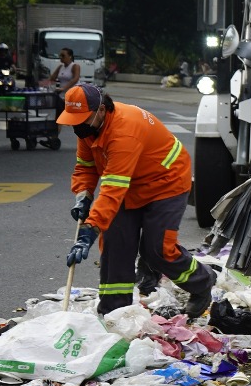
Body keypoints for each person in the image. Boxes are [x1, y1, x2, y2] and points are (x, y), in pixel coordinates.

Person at [58, 84, 215, 318]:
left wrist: (90, 230)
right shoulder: (89, 128)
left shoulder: (124, 132)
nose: (76, 125)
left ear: (101, 110)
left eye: (81, 119)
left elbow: (112, 190)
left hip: (165, 181)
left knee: (158, 249)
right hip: (128, 182)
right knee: (115, 245)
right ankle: (114, 312)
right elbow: (86, 167)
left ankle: (202, 282)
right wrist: (83, 196)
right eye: (73, 120)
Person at [49, 47, 80, 142]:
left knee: (74, 118)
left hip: (72, 95)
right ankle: (54, 137)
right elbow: (52, 78)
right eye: (60, 56)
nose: (61, 58)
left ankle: (86, 136)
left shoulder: (75, 66)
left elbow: (75, 79)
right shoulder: (61, 67)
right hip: (62, 95)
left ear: (70, 56)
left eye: (63, 56)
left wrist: (64, 88)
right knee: (58, 116)